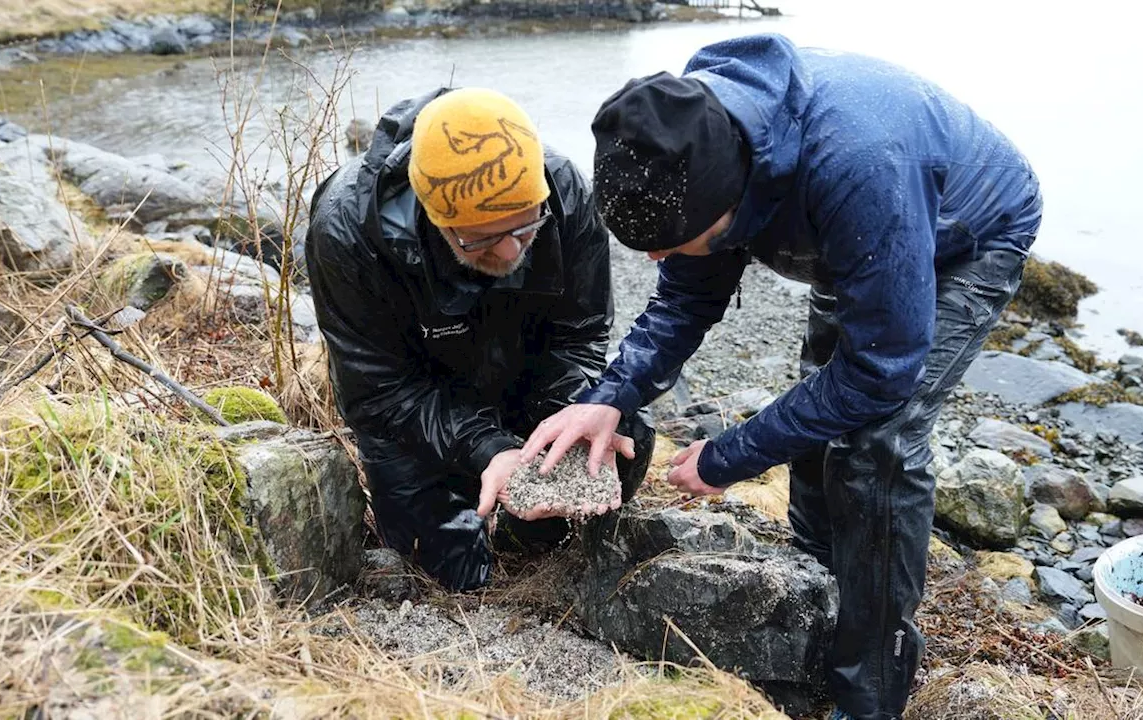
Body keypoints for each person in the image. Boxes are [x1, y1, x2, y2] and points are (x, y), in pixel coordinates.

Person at [522, 33, 1042, 719]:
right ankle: (818, 580)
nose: (656, 261)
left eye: (673, 247)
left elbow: (877, 374)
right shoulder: (684, 145)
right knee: (818, 396)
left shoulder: (857, 162)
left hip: (966, 232)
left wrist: (733, 455)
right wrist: (610, 399)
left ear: (733, 207)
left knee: (874, 443)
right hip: (849, 230)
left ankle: (870, 692)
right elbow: (684, 299)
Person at [305, 87, 655, 593]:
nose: (512, 250)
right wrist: (489, 448)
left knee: (624, 444)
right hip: (416, 413)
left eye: (526, 226)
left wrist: (566, 417)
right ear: (434, 216)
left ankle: (521, 529)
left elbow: (580, 335)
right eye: (484, 238)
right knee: (449, 570)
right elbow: (380, 394)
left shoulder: (563, 190)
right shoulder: (347, 231)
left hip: (523, 380)